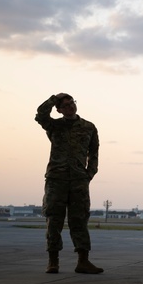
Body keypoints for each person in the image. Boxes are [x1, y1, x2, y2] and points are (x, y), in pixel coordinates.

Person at [35, 93, 102, 274]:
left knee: (79, 220)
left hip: (79, 180)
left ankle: (83, 261)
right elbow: (40, 115)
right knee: (54, 220)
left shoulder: (89, 127)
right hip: (56, 179)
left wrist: (89, 173)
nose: (69, 107)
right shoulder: (54, 125)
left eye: (71, 103)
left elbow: (94, 153)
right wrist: (53, 98)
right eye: (64, 106)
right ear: (59, 110)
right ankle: (53, 261)